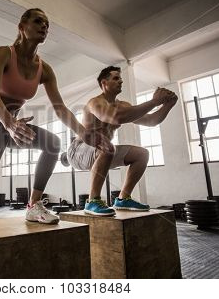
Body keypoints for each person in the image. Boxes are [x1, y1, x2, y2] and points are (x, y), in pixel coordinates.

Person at [0, 8, 114, 232]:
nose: (44, 26)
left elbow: (61, 109)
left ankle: (33, 206)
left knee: (52, 143)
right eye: (38, 21)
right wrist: (10, 123)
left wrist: (84, 134)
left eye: (47, 24)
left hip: (8, 125)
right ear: (22, 26)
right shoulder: (3, 53)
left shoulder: (45, 70)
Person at [67, 66, 178, 216]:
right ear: (104, 83)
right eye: (115, 78)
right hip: (78, 150)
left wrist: (168, 105)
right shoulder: (95, 103)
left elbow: (151, 120)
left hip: (103, 151)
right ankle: (92, 201)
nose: (120, 81)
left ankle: (123, 198)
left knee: (142, 154)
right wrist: (154, 101)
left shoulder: (123, 105)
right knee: (108, 147)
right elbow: (116, 117)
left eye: (120, 78)